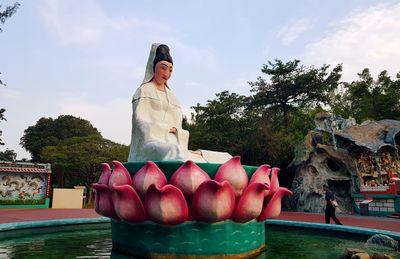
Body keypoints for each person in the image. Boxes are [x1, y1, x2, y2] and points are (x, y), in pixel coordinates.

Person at [128, 43, 232, 163]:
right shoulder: (144, 91)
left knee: (226, 158)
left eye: (170, 70)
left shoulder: (172, 97)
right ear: (153, 67)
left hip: (175, 143)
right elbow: (140, 123)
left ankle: (194, 159)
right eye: (163, 68)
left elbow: (178, 127)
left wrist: (177, 131)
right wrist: (165, 129)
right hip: (151, 144)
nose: (166, 74)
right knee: (174, 151)